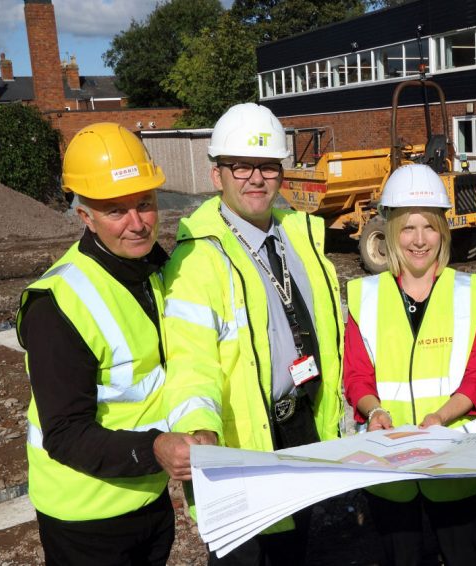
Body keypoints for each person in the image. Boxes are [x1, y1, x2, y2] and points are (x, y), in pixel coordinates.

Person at [16, 122, 211, 565]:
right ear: (85, 216)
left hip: (147, 497)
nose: (138, 223)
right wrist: (155, 447)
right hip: (87, 517)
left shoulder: (153, 267)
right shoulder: (57, 305)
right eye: (115, 211)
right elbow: (63, 434)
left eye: (145, 204)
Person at [161, 103, 344, 566]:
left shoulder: (301, 237)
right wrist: (198, 427)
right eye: (241, 165)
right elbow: (190, 360)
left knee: (295, 548)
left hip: (302, 424)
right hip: (239, 442)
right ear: (217, 173)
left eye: (267, 166)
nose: (256, 178)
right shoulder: (197, 258)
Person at [344, 163, 476, 566]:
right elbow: (356, 376)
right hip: (390, 466)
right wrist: (373, 409)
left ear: (442, 231)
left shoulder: (469, 291)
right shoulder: (365, 296)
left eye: (429, 226)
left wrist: (441, 416)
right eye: (407, 227)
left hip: (456, 463)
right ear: (391, 231)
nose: (418, 240)